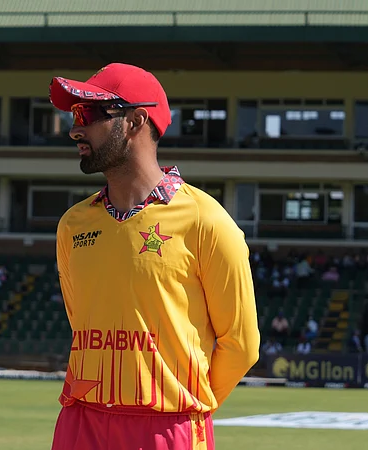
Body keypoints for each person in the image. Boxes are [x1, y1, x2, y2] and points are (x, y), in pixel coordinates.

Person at [47, 63, 260, 450]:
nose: (75, 128)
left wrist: (185, 406)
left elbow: (242, 343)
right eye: (73, 115)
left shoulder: (206, 219)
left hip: (168, 427)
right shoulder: (72, 225)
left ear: (135, 121)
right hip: (81, 421)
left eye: (88, 114)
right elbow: (81, 323)